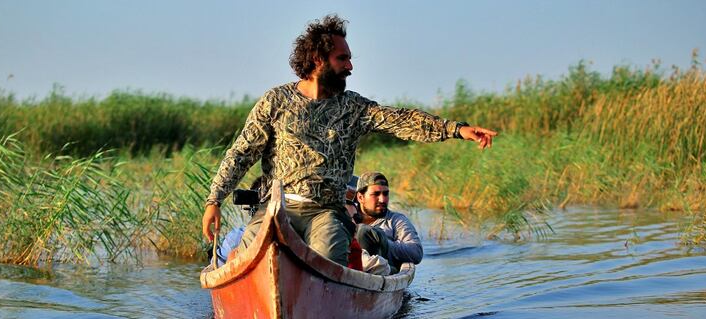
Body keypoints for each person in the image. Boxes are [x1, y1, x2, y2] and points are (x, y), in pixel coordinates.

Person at [202, 14, 496, 266]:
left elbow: (401, 120)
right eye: (343, 58)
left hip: (327, 212)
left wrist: (457, 129)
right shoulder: (275, 101)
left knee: (327, 262)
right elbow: (241, 153)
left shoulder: (353, 108)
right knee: (253, 256)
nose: (350, 67)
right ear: (318, 59)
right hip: (279, 209)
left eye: (350, 59)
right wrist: (214, 200)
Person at [354, 172, 422, 273]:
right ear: (360, 197)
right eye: (375, 194)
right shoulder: (348, 216)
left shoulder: (396, 220)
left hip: (385, 272)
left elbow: (416, 252)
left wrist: (382, 242)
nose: (382, 199)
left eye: (385, 194)